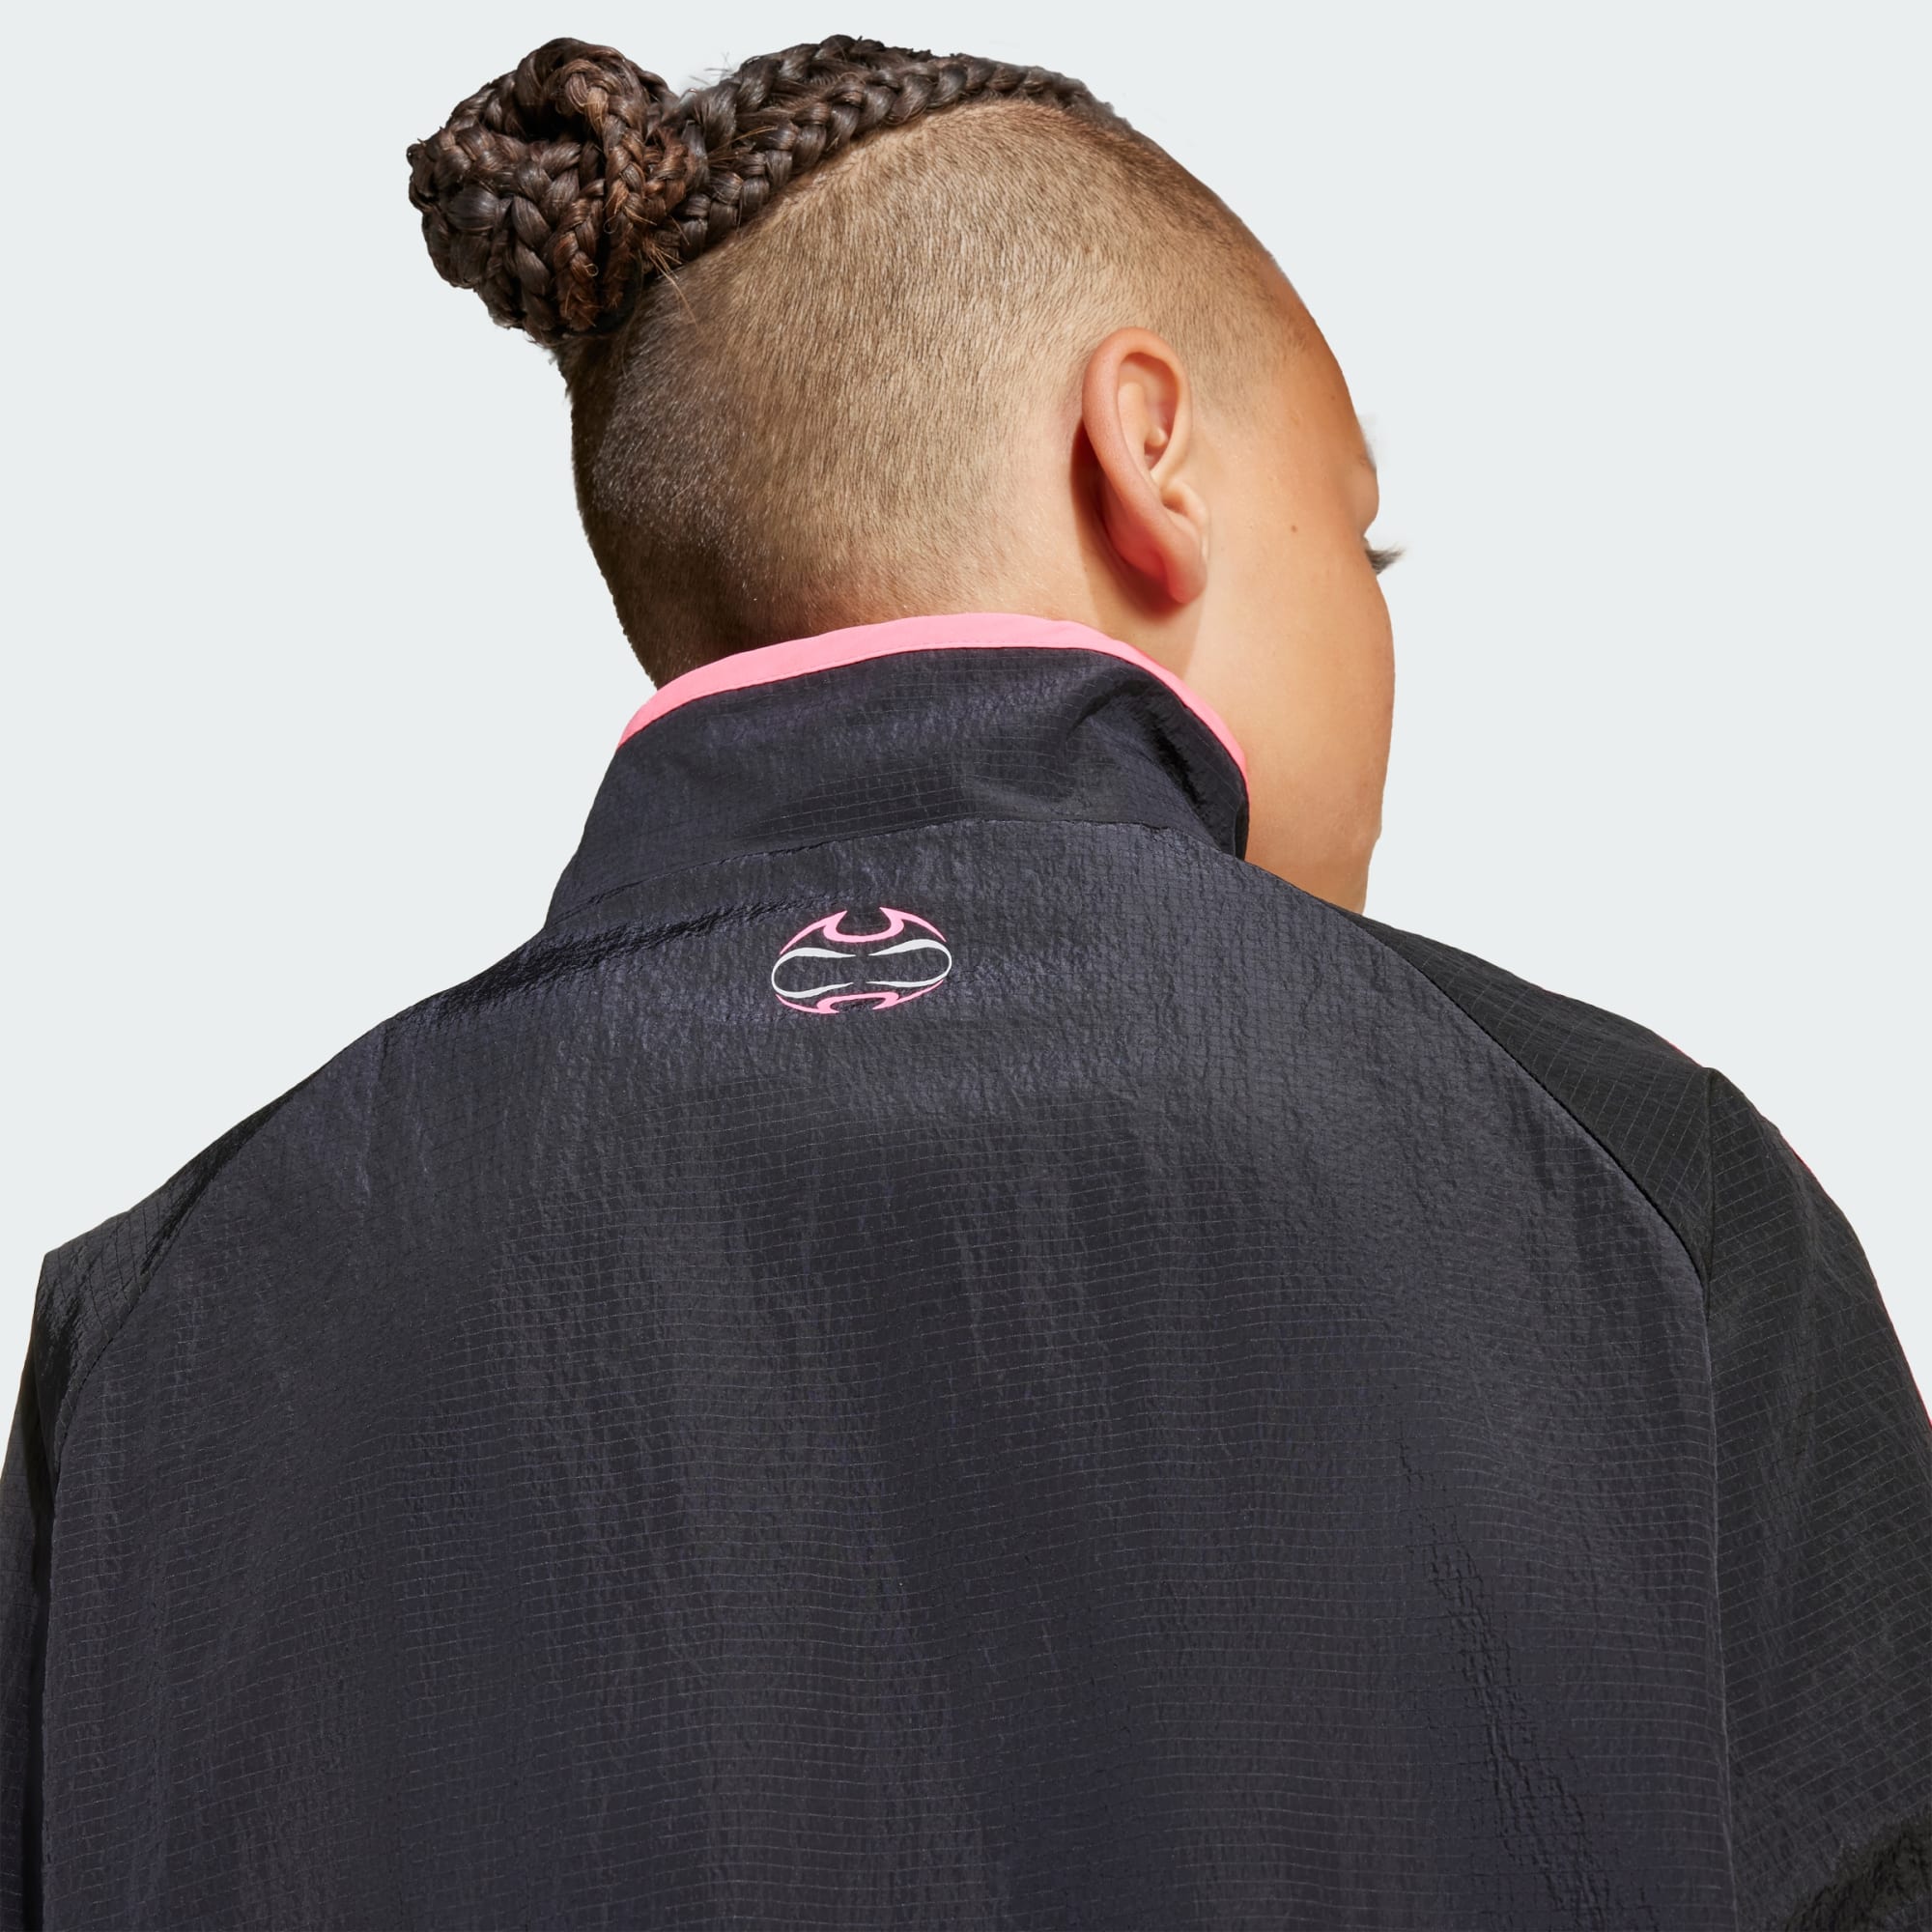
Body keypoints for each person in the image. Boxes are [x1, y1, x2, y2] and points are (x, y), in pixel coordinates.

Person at [2, 32, 1926, 1931]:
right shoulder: (1640, 1198)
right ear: (1142, 452)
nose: (1375, 619)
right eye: (1364, 540)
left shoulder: (159, 1330)